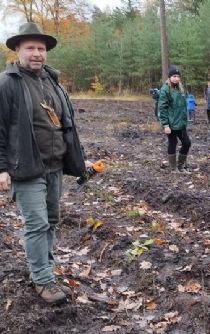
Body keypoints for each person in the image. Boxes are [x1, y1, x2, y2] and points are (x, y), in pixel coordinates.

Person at [0, 22, 92, 303]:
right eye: (30, 48)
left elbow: (67, 125)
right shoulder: (8, 83)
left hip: (54, 166)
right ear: (18, 50)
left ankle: (45, 271)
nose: (37, 53)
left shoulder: (52, 81)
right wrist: (2, 168)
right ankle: (42, 280)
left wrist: (78, 159)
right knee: (37, 224)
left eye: (41, 48)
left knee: (51, 221)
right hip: (26, 168)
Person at [158, 66, 191, 173]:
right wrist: (165, 125)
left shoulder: (180, 88)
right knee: (173, 143)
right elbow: (162, 108)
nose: (176, 78)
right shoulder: (165, 89)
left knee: (187, 143)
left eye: (178, 76)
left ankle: (181, 166)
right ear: (170, 77)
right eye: (174, 76)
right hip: (171, 123)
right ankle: (173, 168)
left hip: (181, 123)